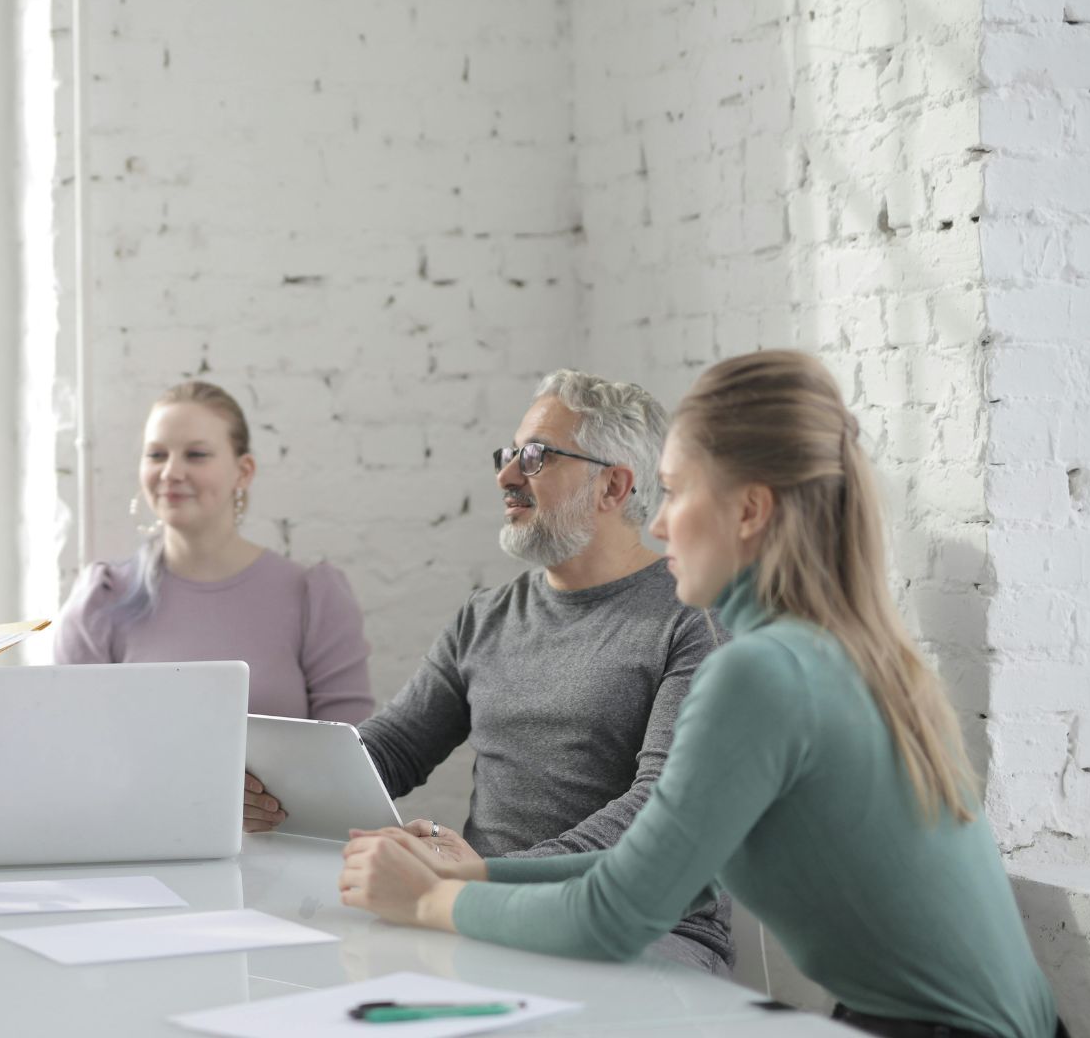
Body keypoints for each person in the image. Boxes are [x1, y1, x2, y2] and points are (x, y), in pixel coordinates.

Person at [339, 351, 1062, 1038]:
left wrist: (432, 899)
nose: (656, 522)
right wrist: (475, 873)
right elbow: (640, 869)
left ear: (747, 512)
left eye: (677, 492)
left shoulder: (758, 672)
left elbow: (616, 914)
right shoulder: (828, 650)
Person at [246, 369, 734, 973]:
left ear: (613, 487)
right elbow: (393, 748)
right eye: (508, 455)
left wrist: (475, 876)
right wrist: (272, 784)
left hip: (646, 928)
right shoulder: (486, 616)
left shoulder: (694, 621)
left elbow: (656, 811)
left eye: (535, 457)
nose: (506, 476)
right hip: (477, 908)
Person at [55, 380, 374, 723]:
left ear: (244, 471)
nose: (171, 472)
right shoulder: (101, 600)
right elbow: (72, 745)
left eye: (196, 455)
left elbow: (348, 753)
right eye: (156, 454)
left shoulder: (313, 597)